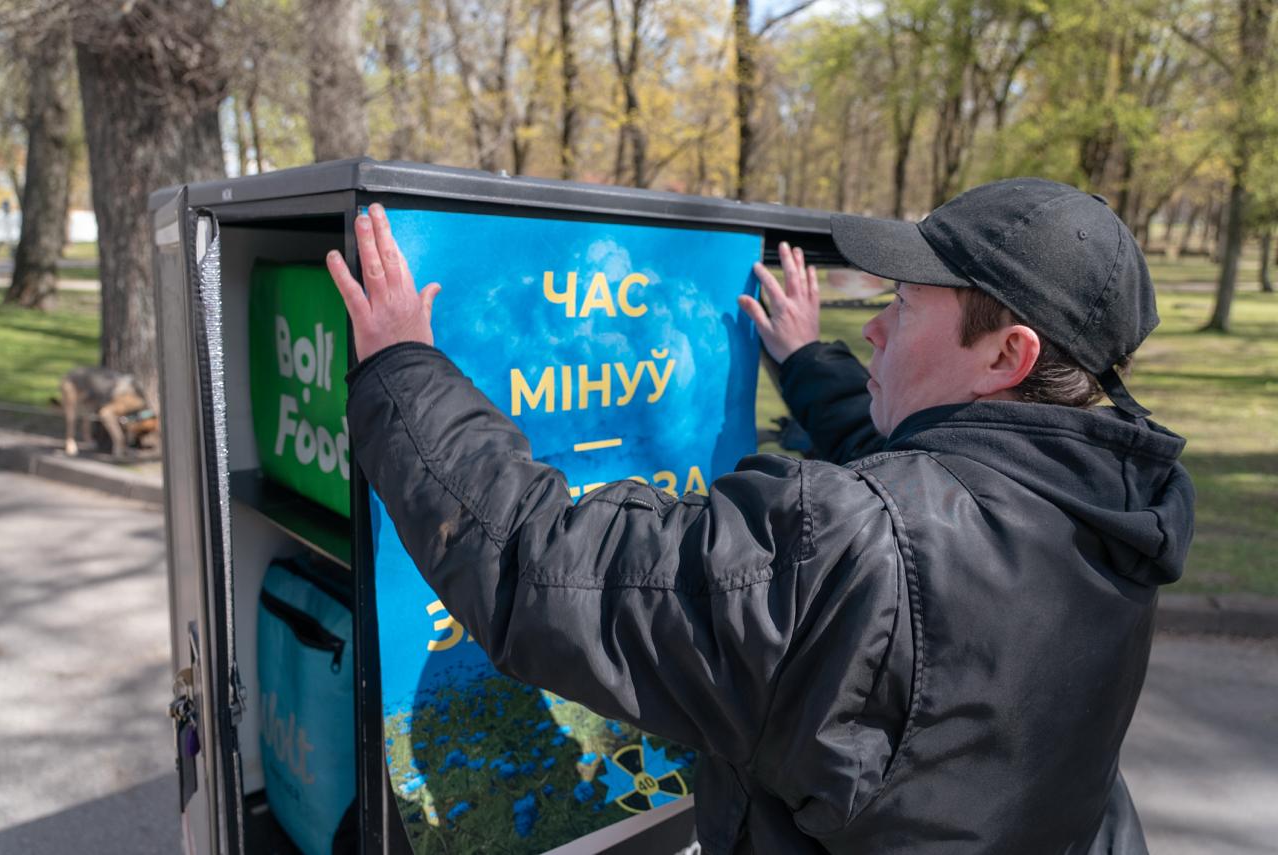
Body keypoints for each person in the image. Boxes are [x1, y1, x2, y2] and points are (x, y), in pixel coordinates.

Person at [328, 178, 1194, 854]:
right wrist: (807, 360)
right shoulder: (1118, 505)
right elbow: (936, 470)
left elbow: (539, 565)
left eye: (902, 306)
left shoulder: (846, 549)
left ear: (1008, 355)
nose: (876, 331)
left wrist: (403, 369)